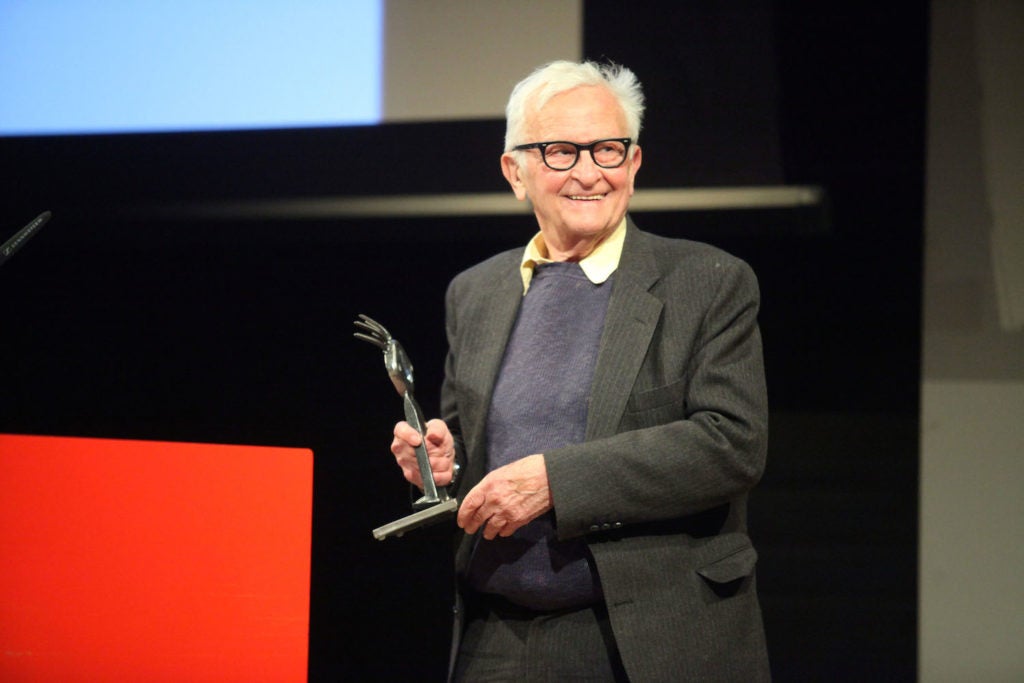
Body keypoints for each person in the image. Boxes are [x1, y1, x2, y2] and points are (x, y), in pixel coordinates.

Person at [390, 60, 770, 682]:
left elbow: (732, 444)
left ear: (635, 162)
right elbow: (471, 444)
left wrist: (556, 482)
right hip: (497, 637)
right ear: (516, 171)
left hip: (646, 638)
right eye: (562, 151)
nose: (590, 173)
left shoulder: (707, 281)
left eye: (608, 150)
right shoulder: (476, 292)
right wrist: (443, 463)